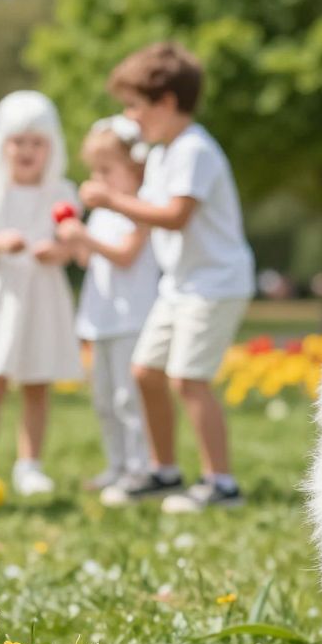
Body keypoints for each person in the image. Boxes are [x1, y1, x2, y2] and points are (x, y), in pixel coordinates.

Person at [79, 42, 256, 513]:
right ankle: (164, 471)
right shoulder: (161, 153)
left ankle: (221, 483)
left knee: (188, 380)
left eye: (135, 105)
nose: (130, 116)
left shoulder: (194, 149)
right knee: (146, 371)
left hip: (215, 283)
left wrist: (109, 201)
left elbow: (175, 215)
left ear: (167, 102)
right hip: (179, 284)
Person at [0, 90, 83, 499]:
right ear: (0, 144)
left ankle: (30, 465)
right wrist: (0, 241)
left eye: (37, 143)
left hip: (41, 293)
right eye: (18, 141)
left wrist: (53, 251)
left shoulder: (61, 192)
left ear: (51, 148)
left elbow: (70, 247)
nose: (27, 151)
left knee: (37, 381)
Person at [56, 117, 161, 501]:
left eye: (106, 170)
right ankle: (117, 464)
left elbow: (126, 255)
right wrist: (73, 238)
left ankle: (140, 467)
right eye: (94, 171)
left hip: (132, 317)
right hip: (100, 318)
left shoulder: (140, 211)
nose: (97, 179)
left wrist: (84, 237)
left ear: (134, 170)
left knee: (128, 397)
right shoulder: (100, 214)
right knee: (104, 398)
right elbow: (88, 260)